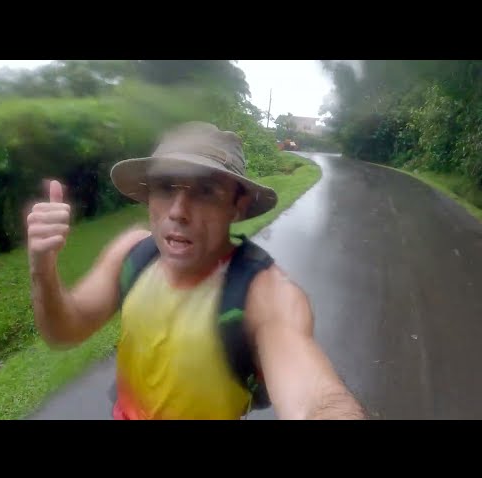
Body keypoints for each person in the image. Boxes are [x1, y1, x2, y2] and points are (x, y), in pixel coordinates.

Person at [27, 121, 367, 420]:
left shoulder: (264, 294)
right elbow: (64, 330)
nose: (178, 211)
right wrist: (43, 269)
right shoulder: (131, 253)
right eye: (165, 187)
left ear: (238, 206)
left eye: (205, 191)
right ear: (149, 195)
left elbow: (316, 400)